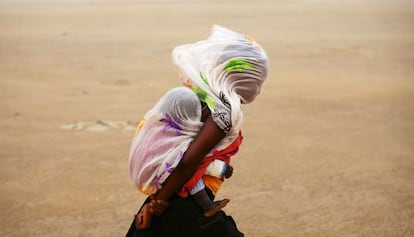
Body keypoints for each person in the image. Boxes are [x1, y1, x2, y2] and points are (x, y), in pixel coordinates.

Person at [126, 25, 269, 237]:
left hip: (175, 195)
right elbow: (188, 161)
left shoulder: (206, 98)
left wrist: (156, 201)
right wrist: (159, 201)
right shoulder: (224, 110)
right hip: (185, 204)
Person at [128, 86, 237, 229]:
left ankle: (154, 204)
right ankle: (207, 205)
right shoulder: (176, 137)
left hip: (142, 174)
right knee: (189, 164)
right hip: (156, 178)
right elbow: (186, 163)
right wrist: (222, 169)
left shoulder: (155, 123)